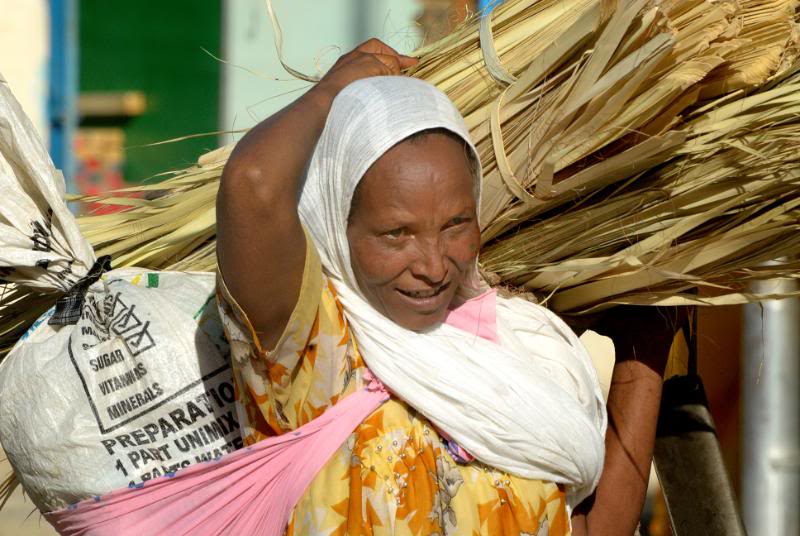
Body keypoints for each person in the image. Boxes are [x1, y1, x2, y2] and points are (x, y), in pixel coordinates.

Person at [216, 39, 680, 535]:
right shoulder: (315, 357)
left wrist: (648, 341)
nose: (435, 266)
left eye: (457, 224)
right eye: (396, 234)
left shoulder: (523, 351)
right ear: (337, 224)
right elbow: (253, 184)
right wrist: (333, 93)